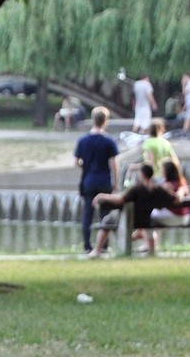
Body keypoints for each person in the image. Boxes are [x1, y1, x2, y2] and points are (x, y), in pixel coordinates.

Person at [90, 163, 184, 256]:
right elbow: (175, 199)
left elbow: (121, 200)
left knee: (107, 220)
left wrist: (101, 196)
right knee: (116, 221)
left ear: (142, 174)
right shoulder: (158, 189)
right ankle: (151, 251)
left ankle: (97, 250)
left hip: (131, 219)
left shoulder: (137, 188)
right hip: (146, 219)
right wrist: (182, 190)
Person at [74, 108, 119, 254]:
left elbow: (76, 162)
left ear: (93, 120)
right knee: (105, 214)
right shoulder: (108, 141)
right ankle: (103, 246)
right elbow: (114, 164)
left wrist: (85, 165)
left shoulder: (83, 140)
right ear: (105, 121)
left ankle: (87, 246)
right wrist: (116, 183)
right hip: (104, 180)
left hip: (88, 180)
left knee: (87, 213)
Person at [148, 158, 190, 251]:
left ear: (166, 171)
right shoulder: (181, 183)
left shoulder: (167, 185)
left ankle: (151, 248)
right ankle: (151, 244)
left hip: (175, 217)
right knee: (154, 217)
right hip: (185, 217)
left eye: (162, 169)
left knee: (147, 218)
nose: (160, 172)